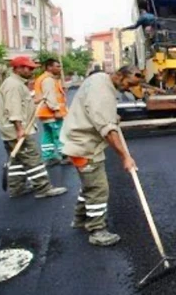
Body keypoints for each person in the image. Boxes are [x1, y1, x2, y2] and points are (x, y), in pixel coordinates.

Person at [60, 65, 140, 247]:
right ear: (119, 75)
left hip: (77, 139)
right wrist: (125, 157)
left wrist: (111, 116)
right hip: (84, 145)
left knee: (89, 185)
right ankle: (97, 230)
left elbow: (95, 110)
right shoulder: (103, 92)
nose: (129, 88)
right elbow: (108, 130)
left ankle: (80, 219)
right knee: (98, 188)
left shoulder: (99, 79)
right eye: (129, 83)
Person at [0, 56, 68, 199]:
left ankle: (16, 188)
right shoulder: (13, 85)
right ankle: (43, 188)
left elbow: (21, 104)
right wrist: (20, 129)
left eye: (33, 68)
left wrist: (35, 101)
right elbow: (13, 109)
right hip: (15, 129)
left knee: (16, 160)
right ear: (18, 68)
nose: (32, 70)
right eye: (29, 68)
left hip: (10, 129)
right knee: (33, 158)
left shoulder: (16, 83)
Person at [34, 58, 70, 166]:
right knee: (59, 135)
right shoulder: (48, 80)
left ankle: (48, 157)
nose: (60, 68)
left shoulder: (45, 78)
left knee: (48, 135)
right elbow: (50, 96)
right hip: (52, 113)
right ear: (49, 67)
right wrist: (56, 110)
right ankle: (64, 155)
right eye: (57, 66)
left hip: (45, 114)